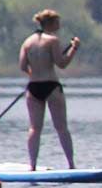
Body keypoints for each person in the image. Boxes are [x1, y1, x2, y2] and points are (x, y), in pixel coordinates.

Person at [19, 9, 81, 170]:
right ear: (51, 23)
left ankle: (32, 166)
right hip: (51, 86)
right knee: (61, 127)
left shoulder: (27, 42)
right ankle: (71, 165)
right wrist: (74, 48)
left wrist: (35, 76)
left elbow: (23, 66)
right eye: (57, 22)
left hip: (33, 88)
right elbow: (62, 64)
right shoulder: (52, 40)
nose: (59, 25)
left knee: (34, 128)